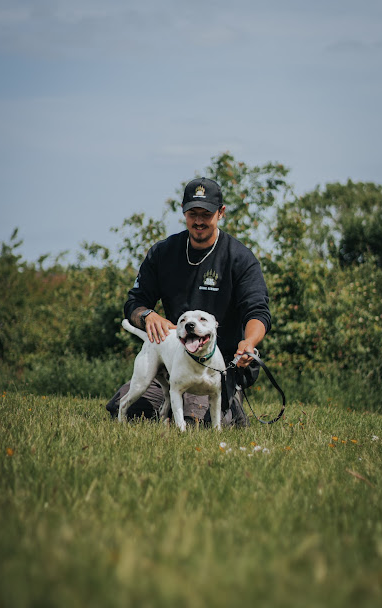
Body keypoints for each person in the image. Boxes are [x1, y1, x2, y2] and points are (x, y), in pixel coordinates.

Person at [106, 177, 271, 426]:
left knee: (195, 420)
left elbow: (257, 310)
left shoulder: (240, 258)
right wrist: (148, 315)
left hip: (218, 366)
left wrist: (249, 341)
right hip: (176, 362)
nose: (199, 221)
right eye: (192, 213)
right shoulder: (163, 253)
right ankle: (169, 405)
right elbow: (134, 303)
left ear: (221, 212)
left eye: (206, 213)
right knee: (128, 409)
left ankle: (230, 402)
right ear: (183, 212)